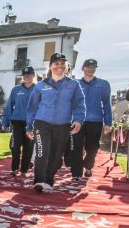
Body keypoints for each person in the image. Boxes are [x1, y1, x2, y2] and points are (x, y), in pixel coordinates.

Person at [26, 53, 86, 192]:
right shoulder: (41, 85)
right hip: (42, 123)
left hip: (63, 125)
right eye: (56, 63)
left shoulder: (73, 85)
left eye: (62, 64)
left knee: (56, 155)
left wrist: (78, 120)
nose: (59, 66)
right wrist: (29, 126)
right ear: (51, 66)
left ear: (66, 66)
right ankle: (39, 181)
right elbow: (32, 107)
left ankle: (48, 180)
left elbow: (79, 104)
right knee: (42, 152)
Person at [69, 59, 112, 179]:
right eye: (88, 67)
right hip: (77, 121)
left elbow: (107, 104)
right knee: (76, 147)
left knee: (92, 148)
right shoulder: (75, 84)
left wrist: (108, 123)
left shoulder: (103, 84)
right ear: (83, 68)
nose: (90, 69)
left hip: (96, 121)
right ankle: (76, 173)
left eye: (93, 67)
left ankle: (88, 167)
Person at [1, 66, 36, 176]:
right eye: (24, 75)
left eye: (29, 75)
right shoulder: (16, 89)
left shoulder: (39, 89)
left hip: (32, 123)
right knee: (15, 147)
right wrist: (5, 122)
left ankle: (24, 171)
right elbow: (9, 106)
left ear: (33, 75)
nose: (27, 77)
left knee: (28, 148)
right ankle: (14, 169)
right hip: (17, 122)